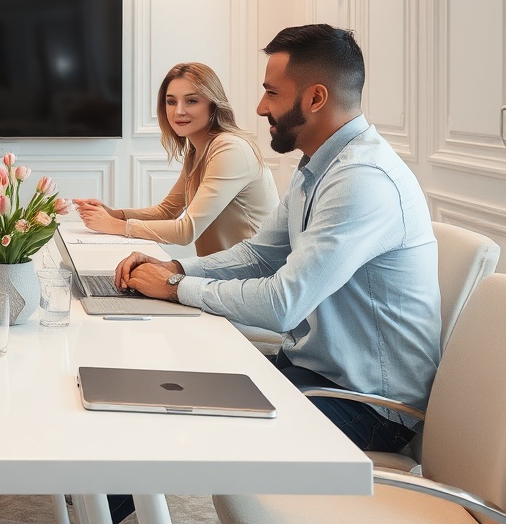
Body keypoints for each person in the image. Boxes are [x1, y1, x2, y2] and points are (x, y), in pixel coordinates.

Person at [116, 24, 440, 449]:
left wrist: (177, 287)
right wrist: (174, 266)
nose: (259, 106)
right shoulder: (316, 168)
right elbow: (258, 255)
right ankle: (96, 496)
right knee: (173, 390)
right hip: (312, 369)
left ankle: (97, 497)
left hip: (368, 406)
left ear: (315, 98)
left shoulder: (362, 180)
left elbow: (282, 304)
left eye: (272, 93)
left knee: (190, 429)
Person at [74, 63, 278, 256]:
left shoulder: (230, 148)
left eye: (192, 101)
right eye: (171, 102)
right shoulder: (197, 151)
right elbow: (167, 211)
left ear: (213, 105)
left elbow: (186, 230)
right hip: (222, 271)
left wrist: (114, 226)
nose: (178, 111)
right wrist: (114, 214)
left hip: (254, 277)